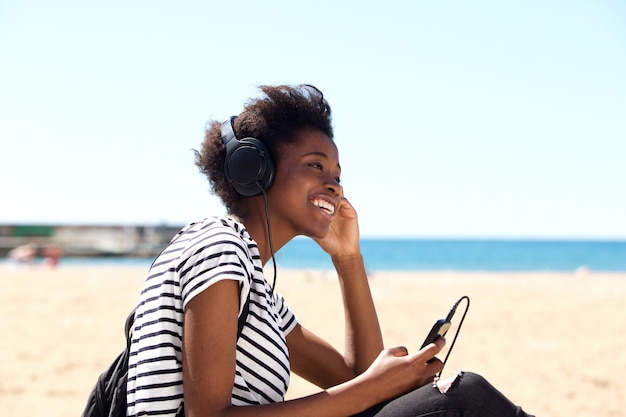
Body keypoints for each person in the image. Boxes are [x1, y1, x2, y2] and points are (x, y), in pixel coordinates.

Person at [126, 84, 534, 417]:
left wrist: (347, 260)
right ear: (256, 168)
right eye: (316, 166)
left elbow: (359, 380)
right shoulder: (217, 244)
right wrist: (373, 386)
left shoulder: (258, 291)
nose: (335, 185)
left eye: (338, 175)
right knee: (464, 397)